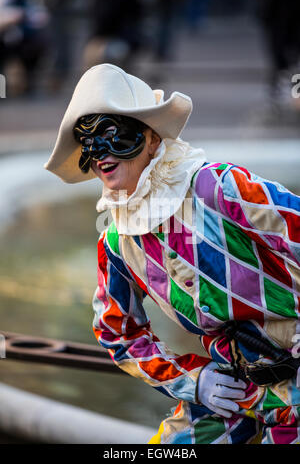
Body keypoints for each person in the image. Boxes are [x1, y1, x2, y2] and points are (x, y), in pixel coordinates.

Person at [44, 63, 300, 445]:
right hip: (237, 392)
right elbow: (117, 332)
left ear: (151, 138)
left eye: (114, 135)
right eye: (90, 143)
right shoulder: (117, 243)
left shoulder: (217, 187)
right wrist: (192, 381)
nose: (100, 153)